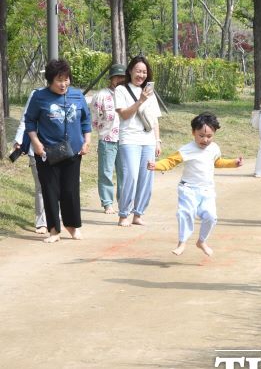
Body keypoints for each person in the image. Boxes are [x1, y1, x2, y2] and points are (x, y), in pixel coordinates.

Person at [147, 112, 243, 256]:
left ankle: (202, 241)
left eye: (209, 136)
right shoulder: (187, 149)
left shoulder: (214, 148)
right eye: (201, 136)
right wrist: (157, 165)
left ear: (215, 134)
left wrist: (233, 163)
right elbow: (170, 161)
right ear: (193, 132)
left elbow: (217, 162)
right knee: (185, 213)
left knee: (211, 216)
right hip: (188, 189)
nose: (205, 140)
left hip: (207, 190)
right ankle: (182, 242)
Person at [24, 59, 92, 243]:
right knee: (50, 190)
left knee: (70, 190)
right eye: (59, 80)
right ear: (50, 81)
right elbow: (29, 121)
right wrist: (36, 143)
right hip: (47, 152)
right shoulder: (39, 97)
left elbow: (86, 120)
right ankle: (54, 230)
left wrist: (87, 141)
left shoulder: (78, 96)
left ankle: (72, 226)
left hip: (73, 151)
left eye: (66, 79)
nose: (64, 84)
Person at [114, 55, 162, 227]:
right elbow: (124, 115)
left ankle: (138, 213)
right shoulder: (121, 90)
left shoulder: (150, 92)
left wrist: (157, 141)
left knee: (146, 177)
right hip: (129, 139)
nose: (141, 75)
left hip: (148, 140)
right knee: (131, 176)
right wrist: (140, 100)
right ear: (130, 71)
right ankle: (123, 214)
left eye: (144, 72)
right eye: (137, 71)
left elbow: (155, 119)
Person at [91, 64, 126, 214]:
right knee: (106, 172)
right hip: (108, 137)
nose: (119, 80)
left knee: (124, 173)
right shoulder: (101, 95)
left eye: (122, 77)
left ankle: (124, 202)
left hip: (126, 139)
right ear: (111, 79)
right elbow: (95, 118)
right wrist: (104, 131)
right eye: (117, 77)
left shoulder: (128, 94)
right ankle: (107, 203)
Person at [13, 89, 47, 234]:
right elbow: (25, 118)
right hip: (37, 147)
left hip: (60, 149)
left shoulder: (68, 94)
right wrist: (18, 139)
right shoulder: (37, 94)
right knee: (40, 185)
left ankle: (55, 218)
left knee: (57, 185)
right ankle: (42, 222)